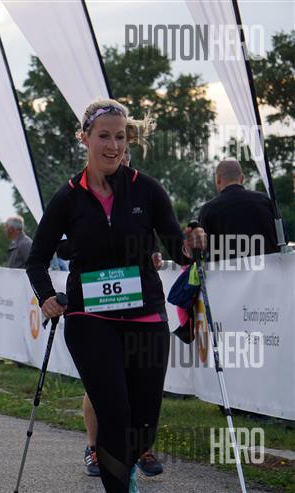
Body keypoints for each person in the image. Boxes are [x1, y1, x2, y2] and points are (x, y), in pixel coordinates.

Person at [26, 99, 206, 493]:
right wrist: (46, 296)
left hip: (145, 317)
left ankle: (127, 467)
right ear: (85, 138)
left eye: (120, 137)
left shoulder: (147, 189)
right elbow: (36, 259)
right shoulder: (68, 197)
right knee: (113, 414)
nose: (113, 146)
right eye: (104, 136)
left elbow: (177, 250)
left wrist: (192, 245)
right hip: (90, 319)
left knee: (143, 426)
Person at [81, 144, 164, 479]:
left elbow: (151, 236)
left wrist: (154, 254)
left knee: (141, 382)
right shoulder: (82, 194)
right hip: (99, 299)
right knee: (102, 383)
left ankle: (141, 447)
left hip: (137, 301)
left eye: (126, 160)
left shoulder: (142, 193)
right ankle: (93, 447)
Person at [199, 158, 281, 260]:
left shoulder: (208, 210)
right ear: (242, 178)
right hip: (270, 268)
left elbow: (202, 249)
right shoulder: (266, 201)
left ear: (218, 179)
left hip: (227, 270)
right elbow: (283, 239)